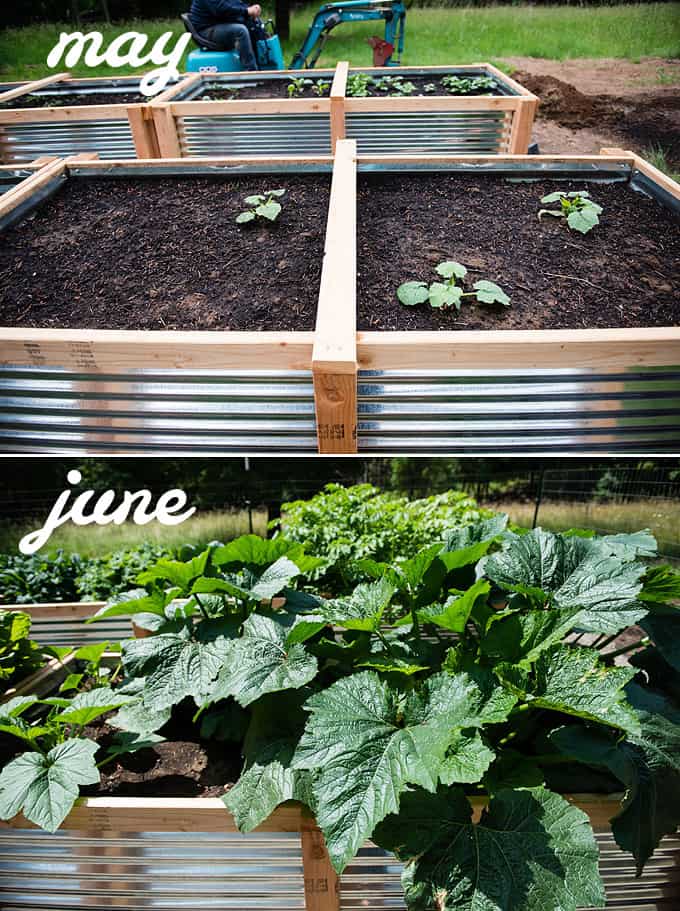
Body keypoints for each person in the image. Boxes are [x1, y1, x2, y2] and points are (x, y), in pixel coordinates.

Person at [188, 0, 262, 71]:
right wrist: (246, 11)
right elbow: (221, 10)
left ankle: (262, 65)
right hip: (206, 30)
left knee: (253, 23)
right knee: (240, 31)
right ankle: (251, 72)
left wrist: (250, 9)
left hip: (216, 24)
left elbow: (234, 3)